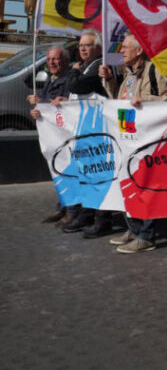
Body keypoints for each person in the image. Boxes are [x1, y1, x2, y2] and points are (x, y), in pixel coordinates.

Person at [99, 34, 167, 253]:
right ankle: (134, 228)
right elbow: (119, 100)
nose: (121, 51)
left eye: (125, 47)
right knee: (128, 184)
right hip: (127, 138)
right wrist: (110, 81)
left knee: (145, 185)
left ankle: (146, 235)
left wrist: (146, 100)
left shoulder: (155, 71)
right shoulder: (128, 74)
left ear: (139, 50)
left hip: (147, 140)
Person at [58, 30, 112, 238]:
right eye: (81, 45)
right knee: (86, 174)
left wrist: (73, 71)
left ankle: (102, 220)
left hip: (97, 130)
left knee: (98, 175)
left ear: (98, 48)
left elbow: (76, 85)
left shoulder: (99, 66)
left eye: (87, 45)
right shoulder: (86, 66)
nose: (82, 48)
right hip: (85, 129)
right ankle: (86, 214)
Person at [29, 45, 76, 224]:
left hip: (65, 134)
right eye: (49, 59)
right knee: (58, 170)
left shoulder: (69, 79)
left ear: (66, 61)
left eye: (55, 59)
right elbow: (46, 106)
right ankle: (62, 205)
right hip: (54, 135)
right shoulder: (51, 79)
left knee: (68, 170)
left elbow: (68, 105)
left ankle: (72, 209)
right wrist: (37, 109)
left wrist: (45, 103)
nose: (52, 63)